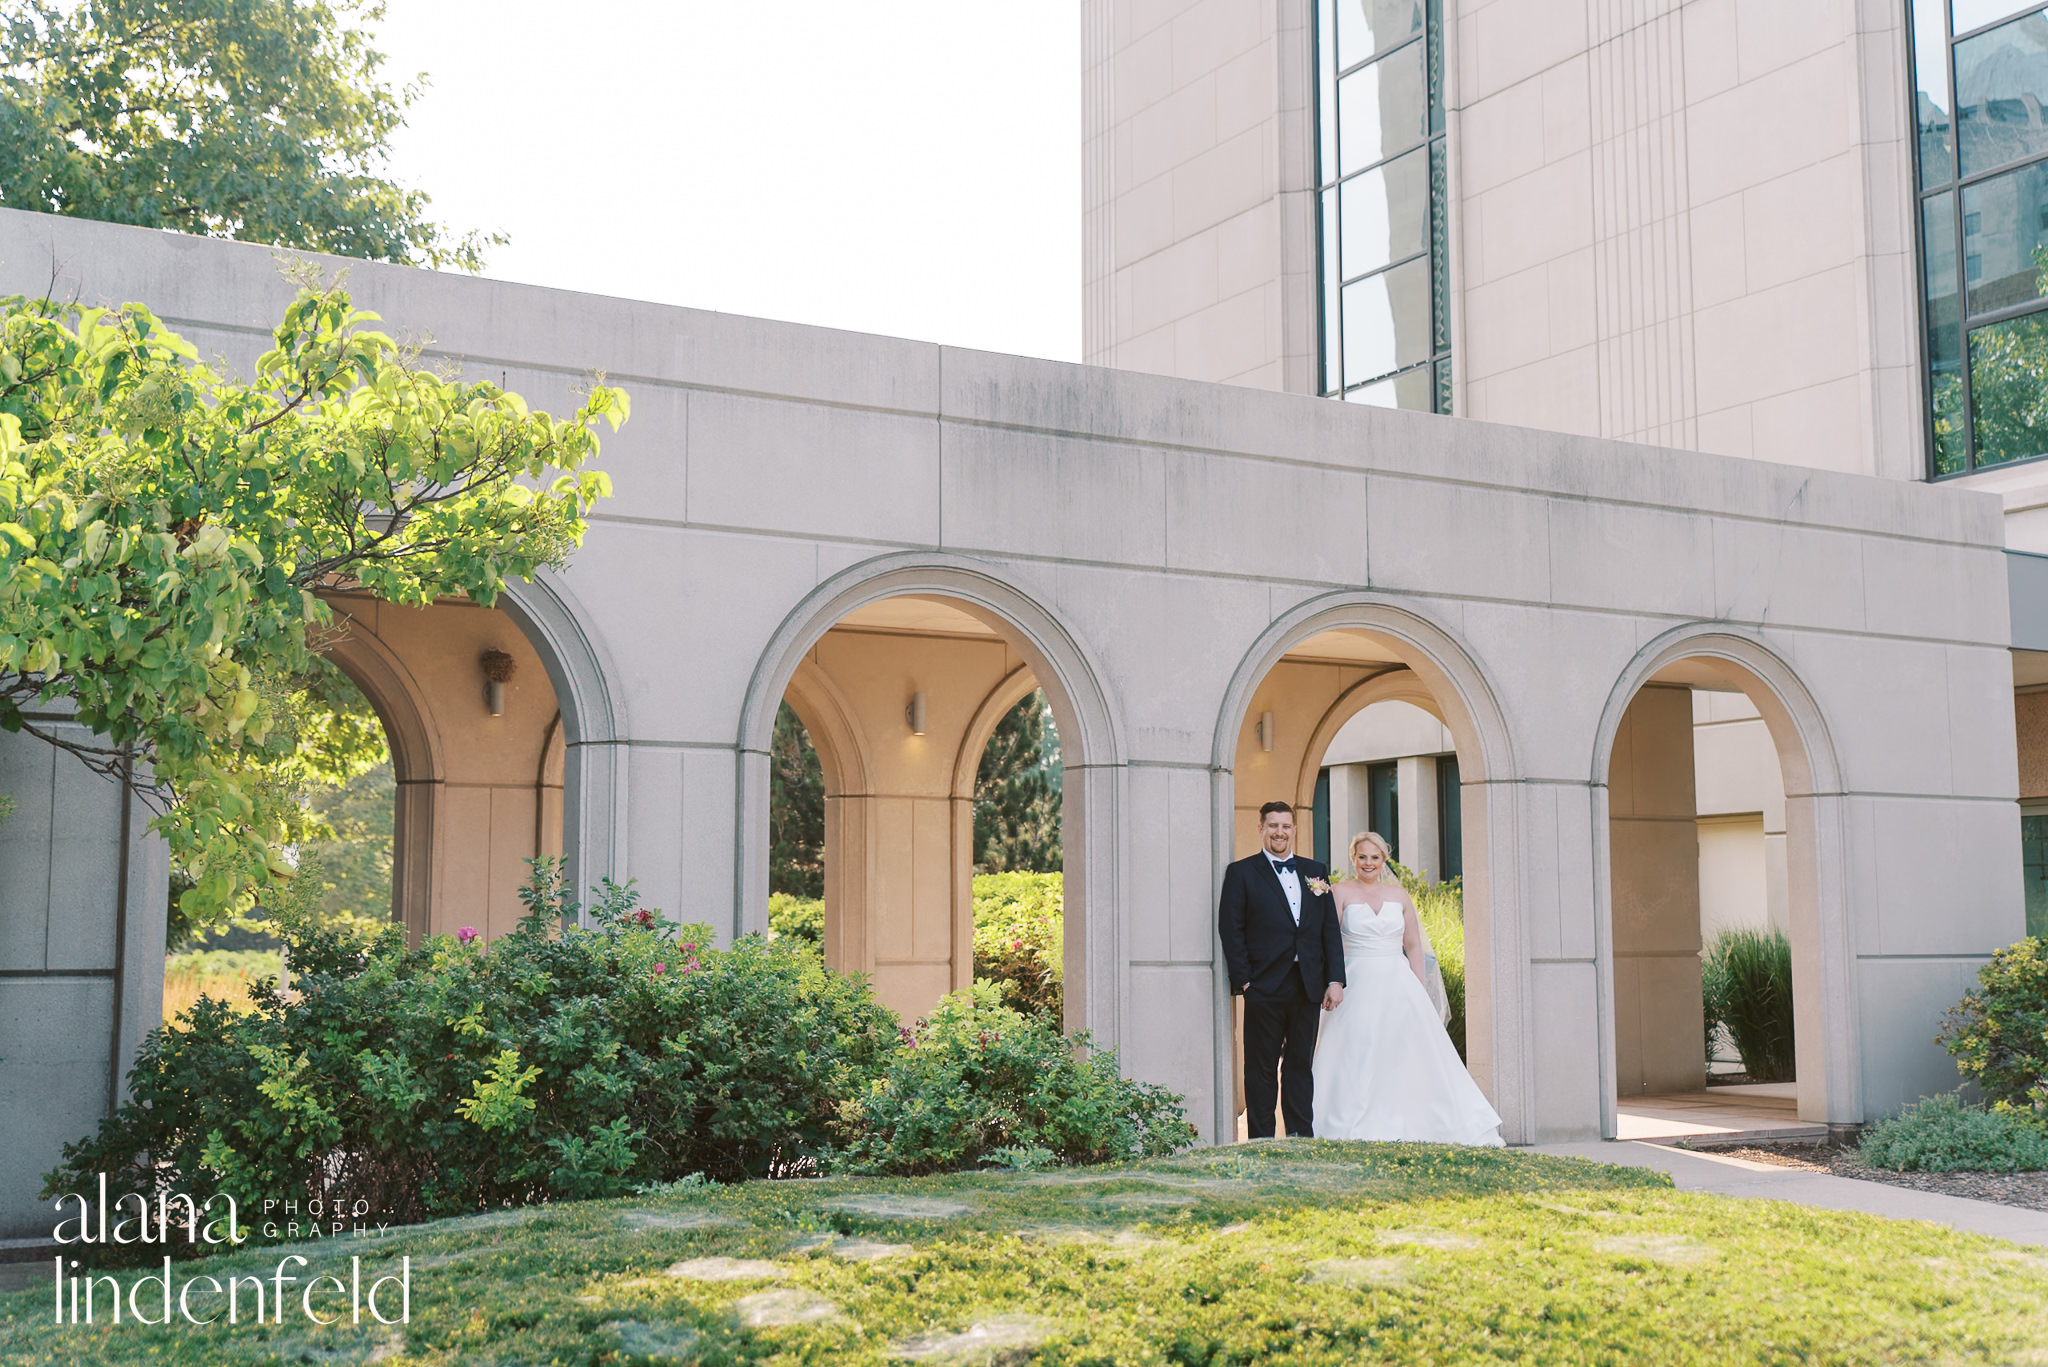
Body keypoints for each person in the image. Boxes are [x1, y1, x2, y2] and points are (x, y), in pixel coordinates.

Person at [1312, 830, 1504, 1145]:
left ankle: (1417, 1120)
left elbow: (1413, 946)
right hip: (1355, 980)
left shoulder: (1399, 897)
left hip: (1397, 982)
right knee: (1356, 1049)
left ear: (1384, 860)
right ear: (1353, 858)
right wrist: (1332, 981)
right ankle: (1344, 1122)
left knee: (1404, 1052)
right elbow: (1329, 942)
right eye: (1362, 857)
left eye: (1375, 857)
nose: (1368, 863)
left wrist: (1418, 988)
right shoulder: (1339, 892)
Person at [1217, 801, 1345, 1138]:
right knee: (1260, 1067)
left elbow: (1328, 928)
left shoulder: (1315, 871)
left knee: (1300, 1065)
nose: (1279, 832)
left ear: (1294, 829)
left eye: (1285, 826)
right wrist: (1244, 982)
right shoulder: (1241, 872)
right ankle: (1261, 1140)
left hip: (1308, 985)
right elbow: (1232, 930)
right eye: (1273, 826)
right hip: (1263, 986)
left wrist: (1334, 979)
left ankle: (1300, 1137)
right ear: (1260, 828)